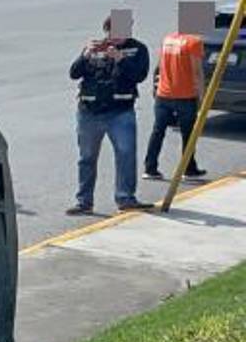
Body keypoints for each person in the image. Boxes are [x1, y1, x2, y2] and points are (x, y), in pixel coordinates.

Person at [67, 15, 153, 215]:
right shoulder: (95, 48)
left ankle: (125, 198)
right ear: (106, 30)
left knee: (125, 154)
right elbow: (74, 73)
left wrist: (120, 59)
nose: (117, 37)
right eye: (113, 32)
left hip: (120, 112)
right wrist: (85, 56)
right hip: (89, 112)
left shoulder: (138, 49)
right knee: (86, 157)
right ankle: (84, 201)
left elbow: (139, 75)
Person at [142, 29, 206, 181]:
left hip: (164, 94)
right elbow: (197, 71)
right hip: (185, 95)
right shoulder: (194, 42)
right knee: (188, 133)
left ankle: (150, 168)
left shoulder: (168, 39)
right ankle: (188, 169)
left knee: (158, 131)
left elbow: (160, 66)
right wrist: (202, 97)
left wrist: (156, 89)